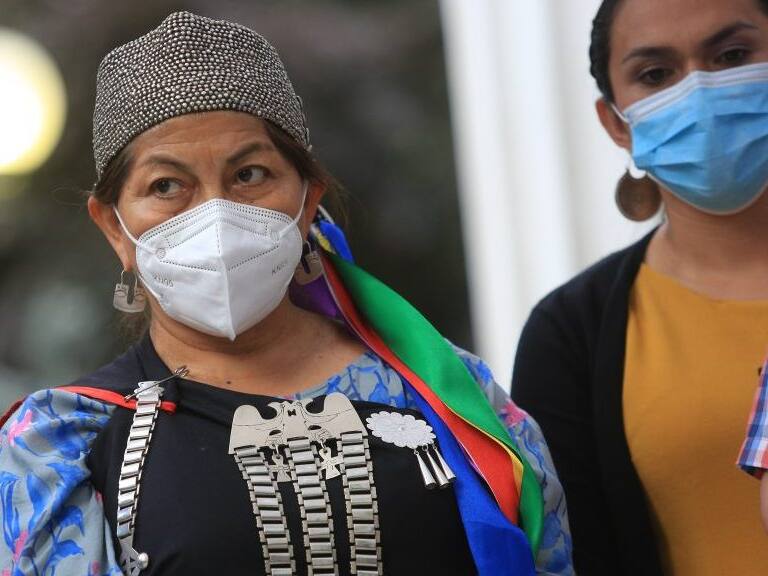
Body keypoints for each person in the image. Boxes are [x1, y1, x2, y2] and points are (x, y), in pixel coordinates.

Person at [0, 11, 572, 576]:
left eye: (249, 174)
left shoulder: (450, 395)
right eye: (167, 185)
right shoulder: (64, 443)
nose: (216, 215)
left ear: (307, 198)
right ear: (113, 227)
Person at [511, 0, 768, 574]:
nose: (700, 91)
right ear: (616, 122)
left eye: (732, 55)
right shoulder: (573, 332)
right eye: (656, 74)